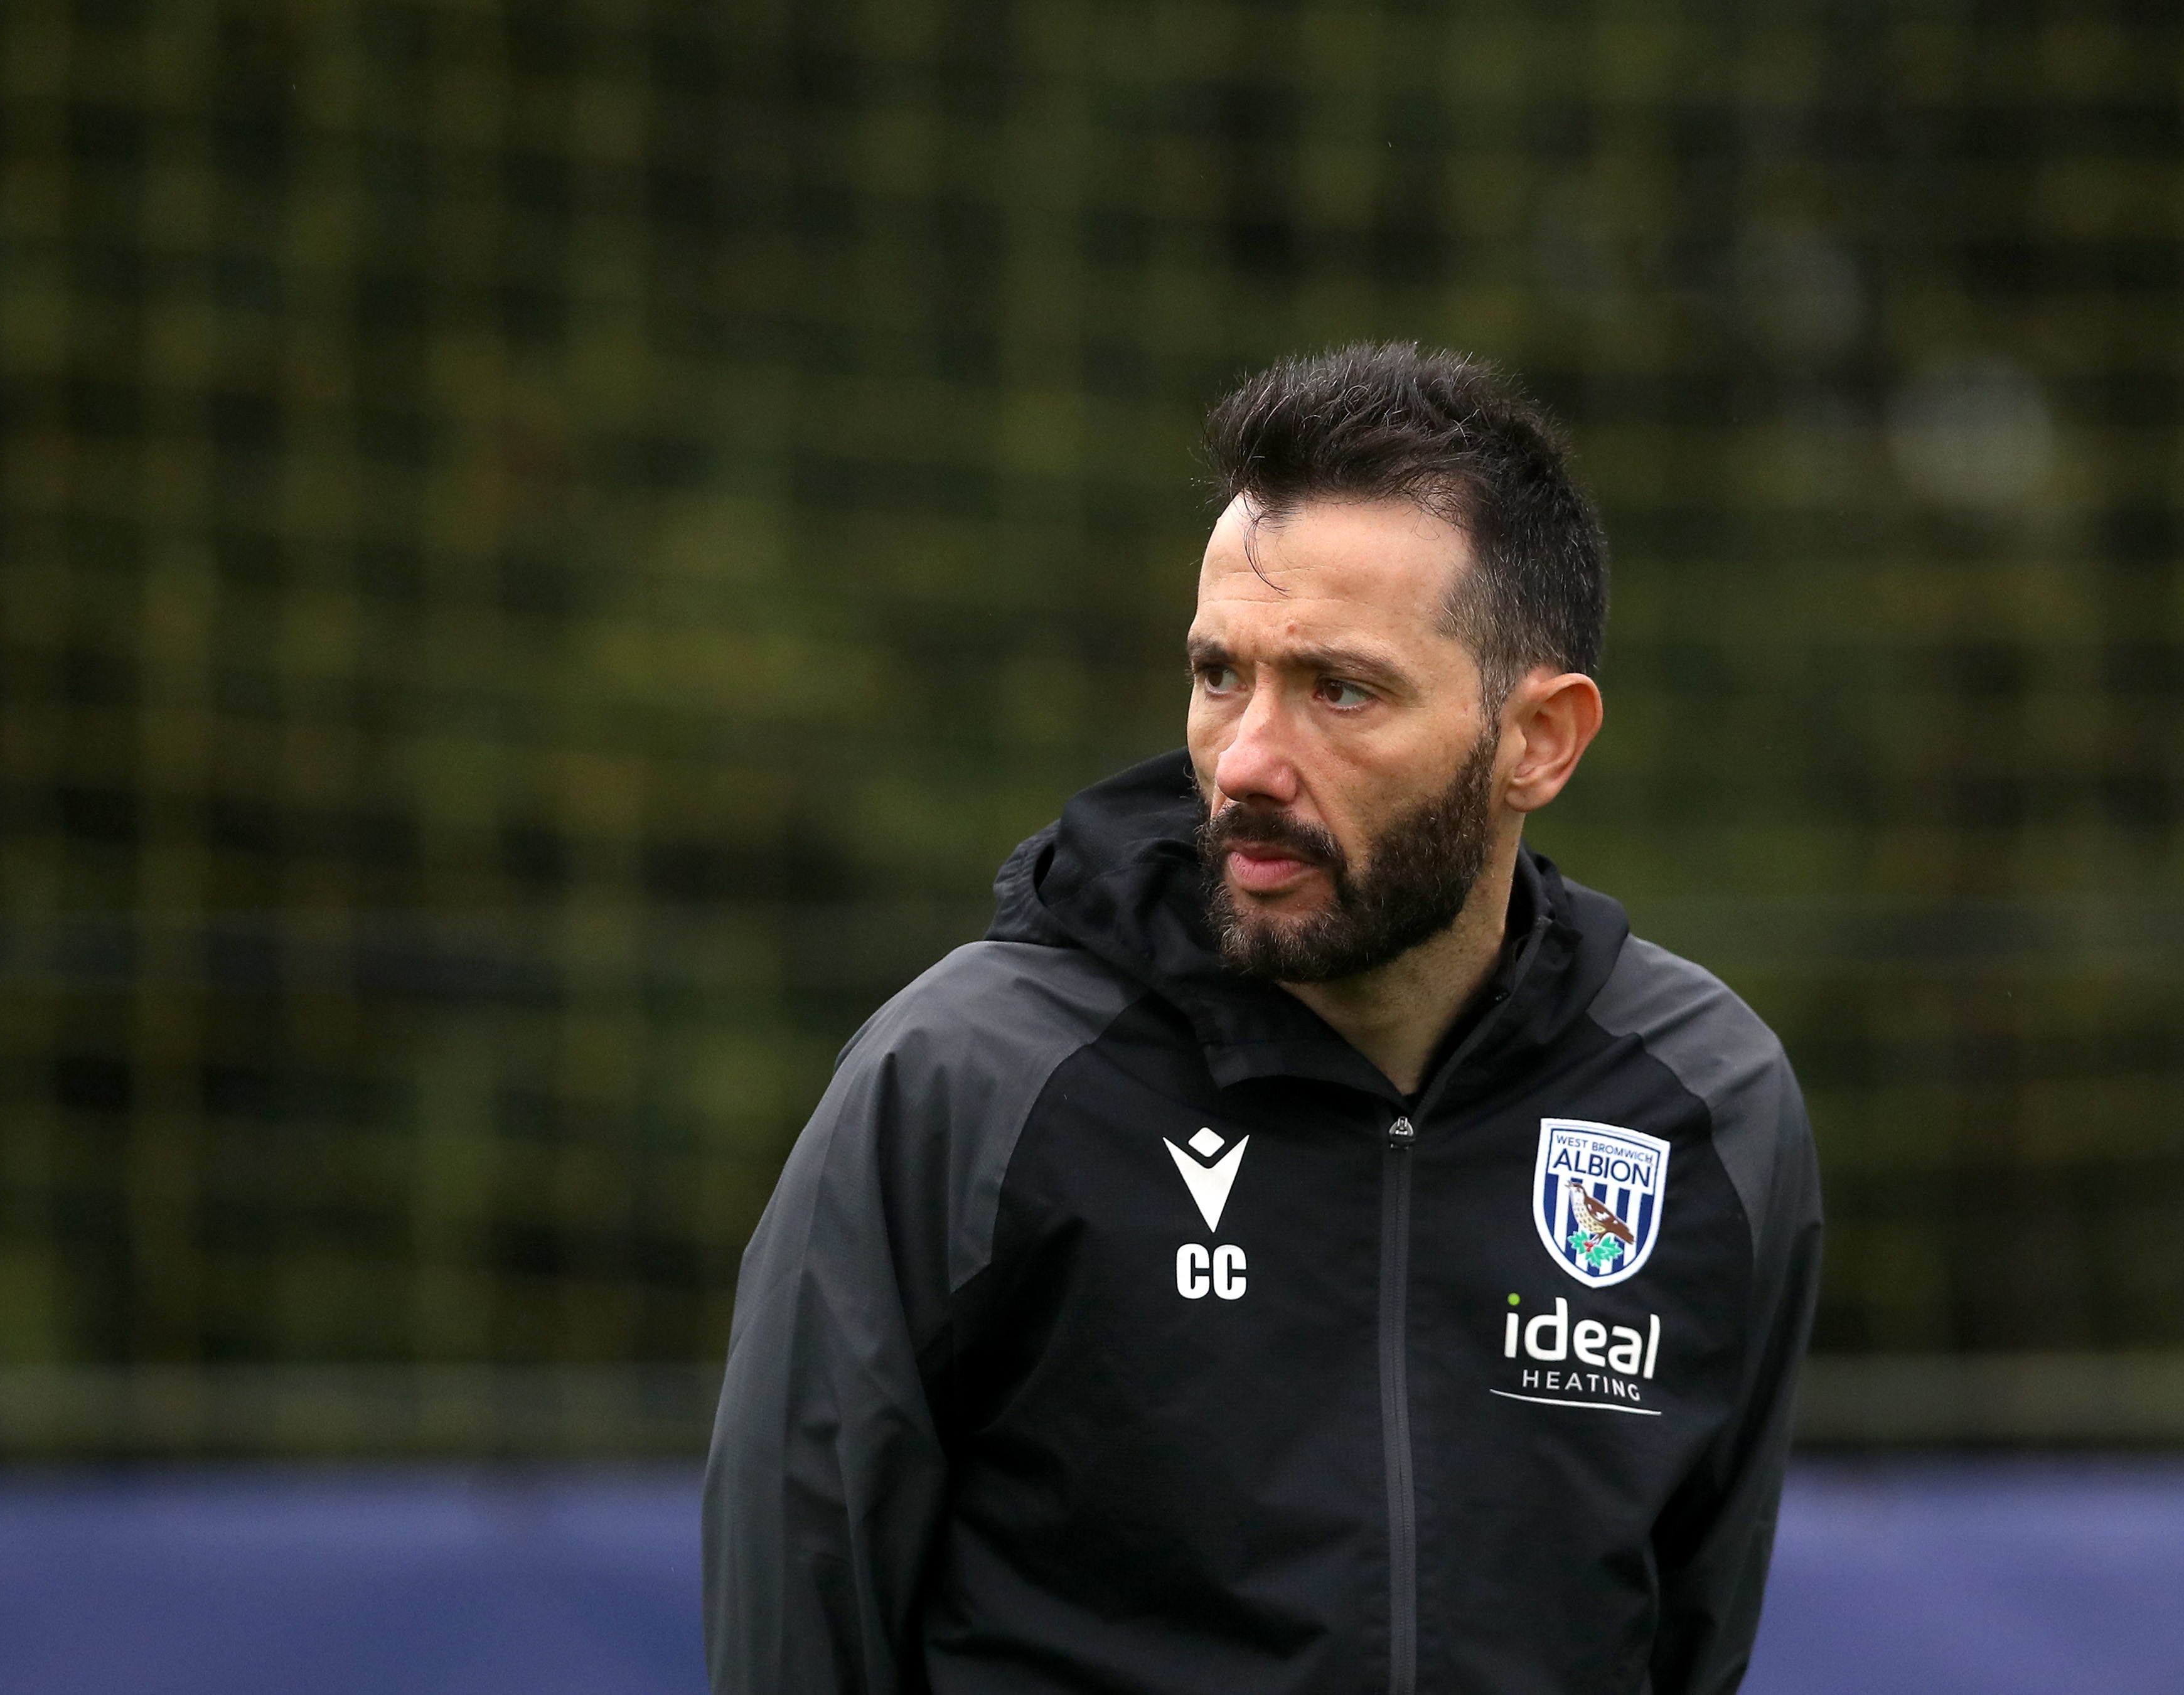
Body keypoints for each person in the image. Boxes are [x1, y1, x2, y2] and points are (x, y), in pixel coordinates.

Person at [704, 343, 1822, 1695]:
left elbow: (1687, 1637)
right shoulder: (965, 1080)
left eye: (1339, 690)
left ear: (1540, 740)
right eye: (1220, 673)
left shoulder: (1706, 1103)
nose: (1244, 762)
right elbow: (799, 1629)